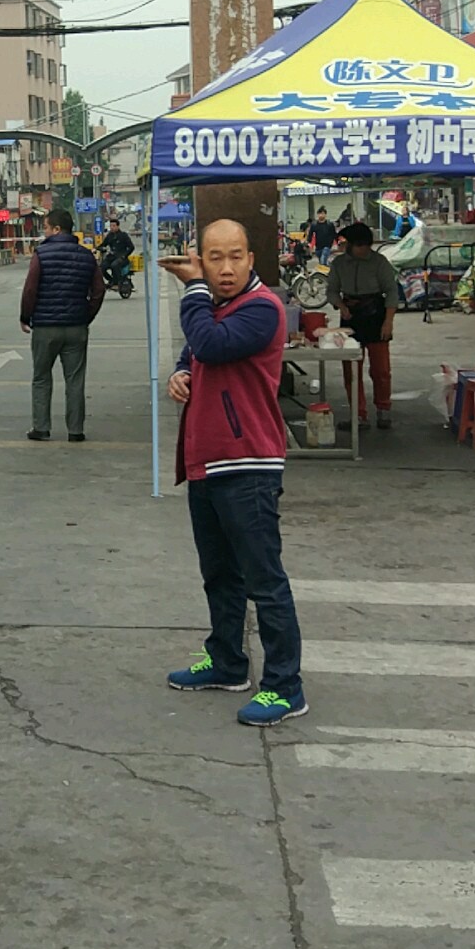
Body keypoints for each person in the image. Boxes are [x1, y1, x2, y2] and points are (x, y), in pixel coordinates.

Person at [160, 219, 307, 728]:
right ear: (203, 255)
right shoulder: (216, 307)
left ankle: (285, 686)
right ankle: (227, 661)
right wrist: (181, 375)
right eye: (214, 257)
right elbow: (195, 352)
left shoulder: (262, 308)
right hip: (207, 461)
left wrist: (192, 287)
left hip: (248, 464)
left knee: (265, 581)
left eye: (235, 256)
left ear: (252, 258)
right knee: (220, 574)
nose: (225, 268)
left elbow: (213, 343)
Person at [19, 207, 104, 443]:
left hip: (45, 327)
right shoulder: (86, 256)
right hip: (76, 327)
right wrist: (86, 315)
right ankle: (75, 431)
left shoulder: (41, 254)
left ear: (56, 229)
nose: (43, 232)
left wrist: (25, 317)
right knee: (75, 380)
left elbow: (30, 289)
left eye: (45, 227)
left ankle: (41, 428)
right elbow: (98, 290)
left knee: (41, 377)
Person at [326, 220, 399, 430]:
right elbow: (332, 290)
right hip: (350, 318)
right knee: (351, 370)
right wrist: (340, 306)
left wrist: (388, 322)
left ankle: (384, 409)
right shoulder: (339, 264)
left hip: (376, 315)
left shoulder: (380, 262)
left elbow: (391, 292)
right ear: (349, 245)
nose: (363, 250)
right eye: (359, 246)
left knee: (381, 369)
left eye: (366, 246)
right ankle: (358, 414)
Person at [99, 214, 134, 285]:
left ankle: (119, 281)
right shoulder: (109, 236)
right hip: (111, 256)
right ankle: (111, 280)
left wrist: (125, 255)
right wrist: (99, 248)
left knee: (114, 265)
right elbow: (103, 245)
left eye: (114, 226)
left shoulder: (123, 235)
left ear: (118, 226)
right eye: (111, 226)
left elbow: (131, 247)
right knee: (102, 267)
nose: (112, 228)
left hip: (122, 257)